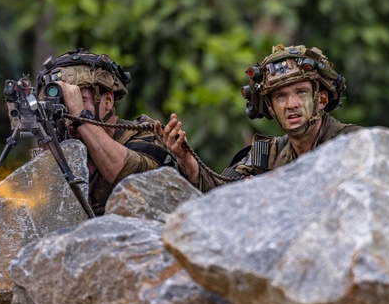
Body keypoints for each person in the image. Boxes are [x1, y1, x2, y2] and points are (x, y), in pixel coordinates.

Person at [158, 44, 359, 191]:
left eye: (301, 92)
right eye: (280, 96)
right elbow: (217, 193)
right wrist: (188, 161)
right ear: (271, 108)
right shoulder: (267, 154)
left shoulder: (352, 143)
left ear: (321, 99)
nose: (291, 104)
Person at [38, 48, 178, 215]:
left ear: (108, 101)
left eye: (81, 99)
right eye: (63, 103)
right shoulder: (60, 151)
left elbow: (137, 183)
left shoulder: (144, 135)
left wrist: (80, 116)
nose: (67, 111)